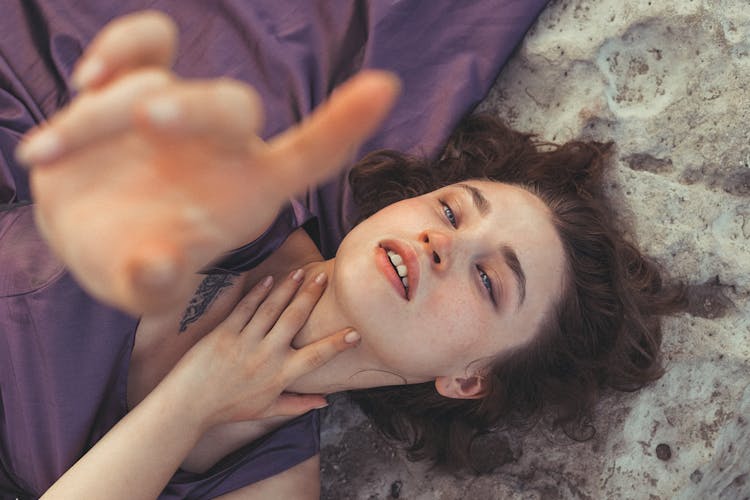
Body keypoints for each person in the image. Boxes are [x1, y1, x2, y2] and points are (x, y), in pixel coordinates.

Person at [1, 3, 682, 499]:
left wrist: (197, 396)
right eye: (451, 209)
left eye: (488, 280)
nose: (441, 243)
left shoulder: (274, 483)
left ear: (468, 378)